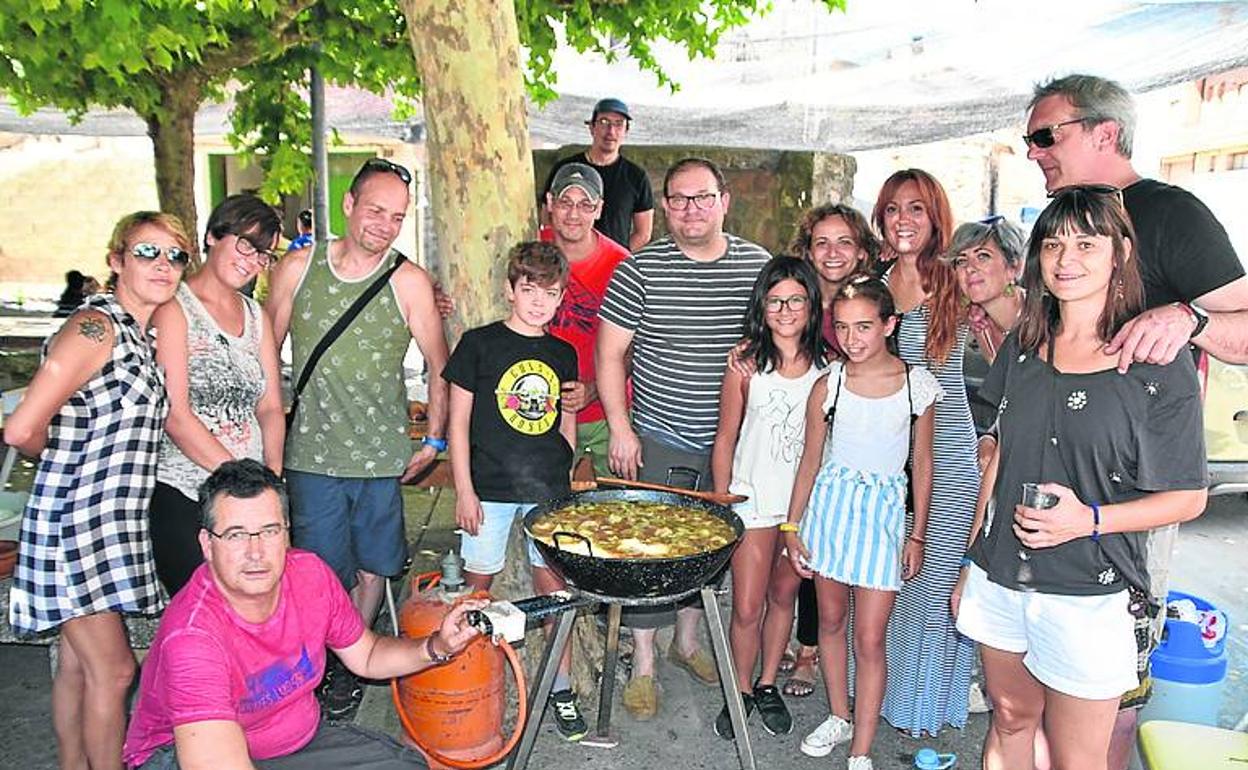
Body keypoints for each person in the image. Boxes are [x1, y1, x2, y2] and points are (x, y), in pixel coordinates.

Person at [1025, 73, 1248, 767]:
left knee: (1114, 687)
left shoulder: (1168, 213)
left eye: (1045, 135)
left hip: (1137, 490)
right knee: (1037, 677)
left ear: (1105, 133)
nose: (1033, 153)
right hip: (1048, 472)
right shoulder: (1056, 221)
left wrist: (1190, 316)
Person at [952, 187, 1208, 770]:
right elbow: (996, 456)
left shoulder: (1154, 360)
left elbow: (1188, 497)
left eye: (1086, 243)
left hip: (1090, 592)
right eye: (1054, 243)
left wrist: (1087, 520)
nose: (1066, 259)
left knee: (1076, 760)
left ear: (1119, 253)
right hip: (1000, 578)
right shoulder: (1023, 344)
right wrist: (972, 559)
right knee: (1010, 719)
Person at [123, 459, 487, 770]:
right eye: (235, 535)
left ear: (286, 534)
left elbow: (369, 655)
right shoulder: (193, 636)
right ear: (207, 544)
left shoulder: (310, 574)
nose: (255, 552)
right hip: (184, 755)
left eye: (268, 531)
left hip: (290, 745)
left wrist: (438, 645)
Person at [265, 157, 450, 721]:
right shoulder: (297, 269)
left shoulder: (408, 280)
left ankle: (348, 663)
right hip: (311, 457)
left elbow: (440, 364)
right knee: (317, 572)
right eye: (376, 210)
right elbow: (264, 355)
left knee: (375, 565)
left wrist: (436, 440)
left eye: (396, 216)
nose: (385, 225)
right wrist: (266, 441)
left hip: (380, 457)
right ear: (347, 205)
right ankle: (313, 666)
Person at [5, 211, 190, 770]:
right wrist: (70, 463)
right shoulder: (97, 326)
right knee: (115, 670)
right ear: (115, 261)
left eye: (175, 255)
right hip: (79, 524)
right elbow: (21, 429)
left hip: (110, 526)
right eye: (146, 252)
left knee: (80, 667)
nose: (163, 265)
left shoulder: (135, 332)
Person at [597, 156, 771, 720]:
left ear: (725, 200)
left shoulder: (757, 266)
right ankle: (644, 665)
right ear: (664, 205)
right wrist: (621, 429)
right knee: (651, 551)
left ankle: (688, 643)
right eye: (677, 198)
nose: (690, 209)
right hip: (660, 432)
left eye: (701, 197)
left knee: (710, 548)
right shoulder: (639, 270)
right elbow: (609, 354)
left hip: (734, 441)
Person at [782, 277, 939, 770]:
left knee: (871, 638)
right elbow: (810, 459)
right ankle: (838, 714)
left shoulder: (917, 385)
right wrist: (792, 527)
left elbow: (924, 462)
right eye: (844, 328)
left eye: (865, 327)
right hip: (831, 510)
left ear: (889, 325)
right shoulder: (828, 385)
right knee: (829, 620)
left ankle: (862, 748)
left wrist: (917, 533)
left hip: (883, 517)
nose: (853, 339)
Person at [442, 240, 585, 741]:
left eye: (550, 292)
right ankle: (469, 684)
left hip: (547, 491)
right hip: (490, 489)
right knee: (477, 591)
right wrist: (464, 489)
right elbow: (457, 423)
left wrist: (564, 482)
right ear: (510, 290)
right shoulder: (478, 344)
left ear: (561, 297)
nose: (539, 301)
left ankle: (561, 690)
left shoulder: (562, 353)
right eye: (530, 290)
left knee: (556, 593)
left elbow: (566, 418)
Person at [873, 169, 979, 736]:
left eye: (916, 208)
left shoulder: (957, 279)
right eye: (893, 209)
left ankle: (925, 709)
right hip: (890, 456)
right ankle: (880, 701)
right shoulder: (875, 282)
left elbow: (1011, 336)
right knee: (890, 579)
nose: (904, 219)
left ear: (936, 216)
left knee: (934, 585)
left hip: (949, 450)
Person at [765, 203, 882, 702]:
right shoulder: (800, 302)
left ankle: (810, 650)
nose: (832, 253)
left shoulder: (869, 303)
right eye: (821, 243)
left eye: (844, 243)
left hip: (850, 448)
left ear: (861, 252)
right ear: (806, 249)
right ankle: (789, 645)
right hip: (794, 442)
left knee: (825, 554)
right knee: (797, 553)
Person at [709, 256, 826, 740]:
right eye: (775, 300)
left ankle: (766, 682)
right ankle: (737, 690)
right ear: (762, 305)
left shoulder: (829, 367)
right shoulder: (745, 364)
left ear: (811, 305)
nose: (785, 309)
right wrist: (721, 498)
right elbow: (725, 437)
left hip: (802, 505)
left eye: (795, 299)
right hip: (751, 499)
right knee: (747, 605)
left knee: (785, 597)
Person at [148, 194, 287, 597]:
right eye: (246, 243)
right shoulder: (175, 308)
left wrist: (270, 481)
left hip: (252, 502)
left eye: (264, 254)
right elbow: (175, 414)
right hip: (188, 494)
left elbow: (271, 406)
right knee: (204, 615)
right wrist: (237, 480)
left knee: (256, 611)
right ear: (212, 236)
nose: (253, 260)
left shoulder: (255, 315)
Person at [542, 163, 632, 477]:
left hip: (605, 412)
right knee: (546, 510)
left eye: (585, 205)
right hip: (539, 411)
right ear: (550, 203)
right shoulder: (528, 250)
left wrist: (594, 389)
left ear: (599, 209)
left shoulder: (621, 264)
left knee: (616, 512)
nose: (573, 214)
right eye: (565, 202)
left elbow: (638, 346)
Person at [542, 98, 654, 251]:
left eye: (618, 124)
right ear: (592, 127)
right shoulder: (565, 169)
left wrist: (618, 259)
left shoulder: (636, 176)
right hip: (567, 262)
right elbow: (547, 217)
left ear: (626, 131)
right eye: (603, 122)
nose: (611, 131)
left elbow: (643, 233)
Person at [947, 217, 1026, 366]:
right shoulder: (982, 327)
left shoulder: (1044, 318)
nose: (969, 268)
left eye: (982, 256)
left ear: (1013, 267)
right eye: (961, 261)